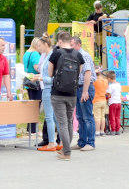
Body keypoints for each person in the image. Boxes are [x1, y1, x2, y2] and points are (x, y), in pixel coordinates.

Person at [49, 31, 85, 161]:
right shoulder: (78, 55)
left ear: (59, 41)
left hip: (58, 93)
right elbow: (79, 73)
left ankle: (67, 152)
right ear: (71, 41)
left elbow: (49, 73)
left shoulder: (56, 53)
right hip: (72, 93)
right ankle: (66, 149)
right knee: (69, 121)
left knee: (62, 123)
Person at [33, 35, 60, 151]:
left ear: (46, 44)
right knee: (54, 117)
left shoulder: (51, 56)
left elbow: (52, 77)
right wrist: (39, 76)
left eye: (40, 45)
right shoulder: (47, 55)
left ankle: (51, 143)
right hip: (49, 88)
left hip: (48, 88)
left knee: (49, 117)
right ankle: (61, 141)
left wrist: (40, 78)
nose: (38, 48)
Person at [71, 36, 96, 151]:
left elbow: (88, 73)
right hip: (78, 88)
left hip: (84, 88)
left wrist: (85, 91)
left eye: (72, 45)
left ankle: (90, 143)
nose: (70, 47)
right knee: (80, 116)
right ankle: (82, 142)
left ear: (78, 45)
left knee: (87, 116)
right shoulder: (75, 56)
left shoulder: (83, 55)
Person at [23, 37, 41, 135]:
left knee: (31, 105)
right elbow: (36, 67)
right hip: (35, 81)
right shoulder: (35, 54)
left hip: (28, 81)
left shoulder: (26, 53)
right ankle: (34, 129)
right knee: (35, 106)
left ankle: (30, 128)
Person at [93, 70, 108, 136]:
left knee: (97, 117)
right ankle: (102, 131)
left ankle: (97, 131)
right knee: (103, 117)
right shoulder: (105, 81)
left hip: (96, 100)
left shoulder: (95, 81)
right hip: (103, 100)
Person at [106, 71, 122, 135]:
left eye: (107, 78)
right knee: (117, 117)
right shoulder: (119, 85)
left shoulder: (111, 86)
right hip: (119, 102)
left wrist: (106, 94)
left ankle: (113, 130)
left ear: (109, 78)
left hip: (113, 103)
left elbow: (109, 95)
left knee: (112, 117)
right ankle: (118, 130)